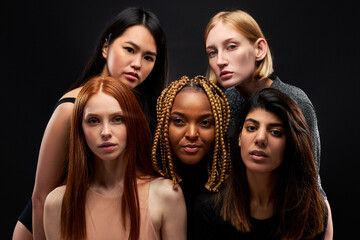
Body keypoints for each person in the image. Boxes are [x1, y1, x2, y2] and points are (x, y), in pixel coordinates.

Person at [13, 7, 169, 240]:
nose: (137, 63)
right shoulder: (72, 107)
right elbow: (41, 196)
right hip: (42, 228)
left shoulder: (140, 109)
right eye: (129, 49)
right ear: (106, 47)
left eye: (148, 57)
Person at [204, 9, 332, 224]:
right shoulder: (223, 103)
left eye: (231, 47)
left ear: (259, 49)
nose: (220, 61)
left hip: (289, 220)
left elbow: (312, 180)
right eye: (212, 52)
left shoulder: (295, 101)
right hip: (235, 221)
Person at [43, 76, 186, 240]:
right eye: (93, 121)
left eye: (117, 119)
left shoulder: (166, 195)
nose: (105, 132)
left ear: (132, 124)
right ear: (80, 130)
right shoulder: (58, 203)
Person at [194, 88, 333, 239]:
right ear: (240, 137)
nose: (260, 138)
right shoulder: (209, 209)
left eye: (275, 132)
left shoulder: (311, 212)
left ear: (291, 144)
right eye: (252, 128)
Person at [151, 75, 231, 239]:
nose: (192, 134)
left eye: (205, 123)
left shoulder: (234, 188)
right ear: (164, 123)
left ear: (219, 128)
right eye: (179, 121)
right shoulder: (147, 181)